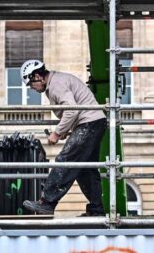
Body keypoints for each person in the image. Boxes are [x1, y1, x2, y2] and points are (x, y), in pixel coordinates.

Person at [19, 59, 108, 216]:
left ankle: (46, 203)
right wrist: (67, 129)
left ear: (38, 76)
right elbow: (74, 110)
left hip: (88, 124)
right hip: (93, 123)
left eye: (31, 84)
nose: (32, 88)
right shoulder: (56, 81)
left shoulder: (56, 85)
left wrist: (57, 132)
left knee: (65, 160)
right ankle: (96, 210)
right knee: (85, 171)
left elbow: (72, 109)